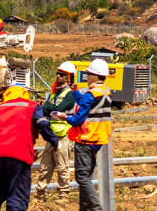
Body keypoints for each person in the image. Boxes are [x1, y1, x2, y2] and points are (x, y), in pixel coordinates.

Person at [0, 85, 58, 211]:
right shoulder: (32, 106)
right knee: (17, 198)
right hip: (19, 156)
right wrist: (54, 141)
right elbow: (43, 124)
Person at [54, 59, 112, 211]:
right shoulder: (105, 92)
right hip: (98, 139)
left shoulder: (91, 94)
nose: (86, 76)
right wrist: (76, 93)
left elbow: (78, 119)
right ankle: (85, 208)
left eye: (88, 73)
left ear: (95, 75)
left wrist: (64, 117)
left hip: (85, 139)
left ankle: (96, 208)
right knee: (86, 175)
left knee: (82, 176)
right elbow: (89, 106)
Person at [35, 62, 77, 200]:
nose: (58, 76)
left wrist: (52, 109)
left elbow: (59, 109)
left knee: (62, 167)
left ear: (68, 77)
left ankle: (63, 195)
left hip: (63, 136)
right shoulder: (54, 93)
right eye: (57, 74)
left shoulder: (69, 95)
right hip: (51, 136)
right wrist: (52, 109)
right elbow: (46, 109)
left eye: (61, 74)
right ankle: (39, 194)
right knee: (45, 167)